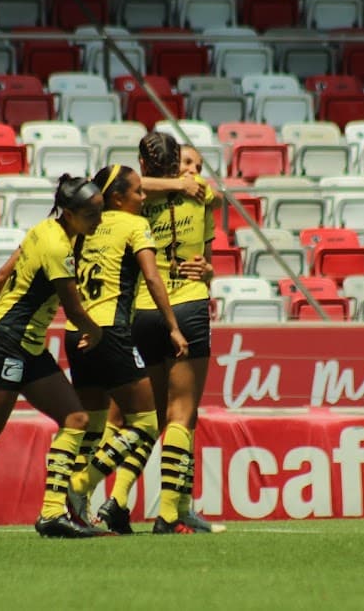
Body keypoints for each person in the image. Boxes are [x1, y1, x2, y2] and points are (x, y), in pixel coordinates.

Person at [0, 174, 106, 541]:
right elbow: (73, 310)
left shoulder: (44, 229)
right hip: (6, 345)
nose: (99, 221)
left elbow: (1, 275)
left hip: (25, 346)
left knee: (75, 418)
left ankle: (52, 514)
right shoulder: (58, 247)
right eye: (93, 215)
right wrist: (98, 331)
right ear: (71, 214)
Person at [63, 164, 188, 535]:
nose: (144, 197)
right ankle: (82, 485)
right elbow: (151, 276)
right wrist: (173, 326)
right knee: (148, 422)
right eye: (138, 192)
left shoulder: (84, 228)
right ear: (118, 197)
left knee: (95, 426)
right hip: (111, 331)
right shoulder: (134, 226)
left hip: (75, 332)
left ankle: (76, 511)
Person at [127, 131, 218, 534]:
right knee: (167, 415)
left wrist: (210, 271)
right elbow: (126, 180)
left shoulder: (193, 198)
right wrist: (179, 185)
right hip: (170, 308)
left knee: (182, 416)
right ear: (170, 166)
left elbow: (209, 263)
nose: (193, 174)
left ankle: (180, 505)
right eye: (186, 165)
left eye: (198, 168)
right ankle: (157, 510)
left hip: (152, 310)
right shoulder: (141, 196)